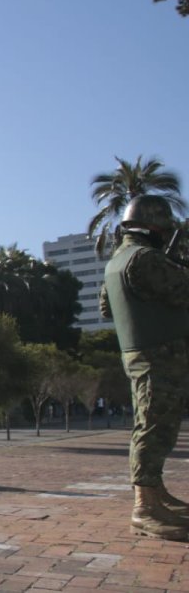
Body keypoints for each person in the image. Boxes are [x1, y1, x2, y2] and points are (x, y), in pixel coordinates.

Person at [99, 194, 189, 541]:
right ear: (154, 227)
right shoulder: (146, 259)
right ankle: (146, 506)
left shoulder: (118, 261)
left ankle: (156, 494)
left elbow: (107, 308)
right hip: (159, 356)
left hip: (142, 355)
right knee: (155, 428)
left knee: (152, 424)